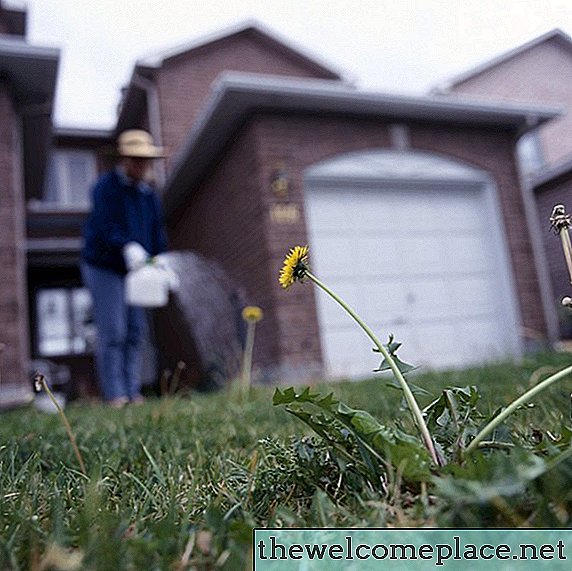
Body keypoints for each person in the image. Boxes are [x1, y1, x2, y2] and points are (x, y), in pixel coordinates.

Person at [81, 129, 168, 407]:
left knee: (135, 330)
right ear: (125, 159)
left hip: (136, 271)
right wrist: (126, 246)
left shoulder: (148, 196)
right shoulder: (106, 187)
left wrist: (160, 260)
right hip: (104, 266)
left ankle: (133, 392)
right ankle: (115, 395)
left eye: (146, 160)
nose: (142, 166)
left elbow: (156, 233)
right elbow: (106, 226)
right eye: (137, 160)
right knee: (113, 330)